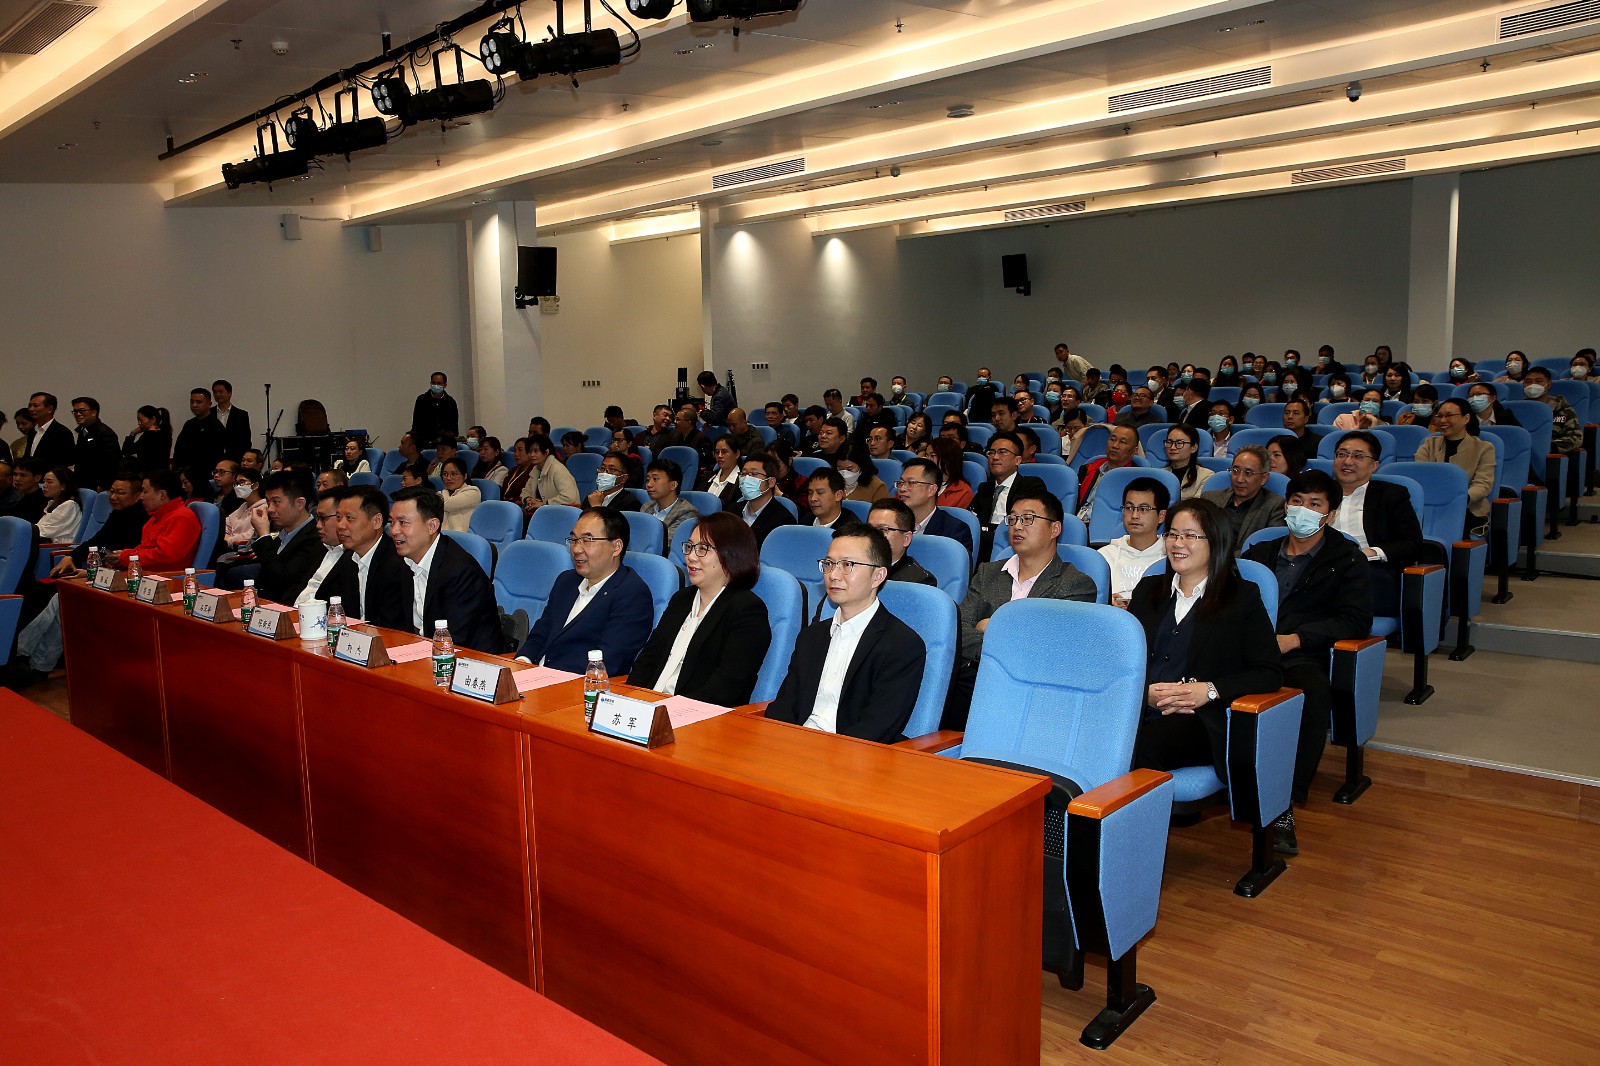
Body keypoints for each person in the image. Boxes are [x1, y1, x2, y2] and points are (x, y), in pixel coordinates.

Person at [1242, 470, 1372, 853]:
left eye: (1315, 504)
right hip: (1248, 651)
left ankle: (1283, 802)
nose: (1303, 510)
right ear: (1286, 505)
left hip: (1301, 654)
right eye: (1297, 501)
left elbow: (1355, 619)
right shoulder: (1260, 553)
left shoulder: (1346, 559)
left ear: (1330, 514)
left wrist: (1295, 639)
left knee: (1312, 696)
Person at [1128, 497, 1283, 804]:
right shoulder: (1147, 590)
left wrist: (1210, 690)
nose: (1177, 543)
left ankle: (1120, 831)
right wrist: (1142, 693)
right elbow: (1123, 664)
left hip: (1198, 718)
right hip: (1139, 709)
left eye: (1190, 535)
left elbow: (1269, 672)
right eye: (1172, 534)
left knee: (1138, 749)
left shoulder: (1242, 597)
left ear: (1216, 542)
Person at [763, 524, 925, 743]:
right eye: (829, 564)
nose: (833, 575)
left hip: (850, 754)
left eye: (848, 565)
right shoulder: (811, 636)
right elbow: (785, 706)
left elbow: (878, 727)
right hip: (796, 745)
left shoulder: (902, 645)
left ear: (878, 576)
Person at [949, 489, 1096, 727]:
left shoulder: (1076, 584)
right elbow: (960, 630)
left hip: (1032, 690)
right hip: (974, 678)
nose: (1017, 526)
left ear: (1055, 529)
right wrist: (1002, 642)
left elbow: (1045, 647)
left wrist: (991, 626)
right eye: (1013, 518)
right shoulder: (987, 573)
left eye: (1028, 519)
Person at [629, 513, 770, 706]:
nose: (690, 557)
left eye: (702, 549)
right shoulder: (681, 599)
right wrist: (629, 700)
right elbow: (647, 660)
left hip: (696, 714)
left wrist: (668, 710)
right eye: (689, 547)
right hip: (649, 706)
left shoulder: (747, 610)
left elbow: (726, 688)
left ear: (731, 553)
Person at [514, 507, 654, 673]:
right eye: (574, 540)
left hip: (575, 684)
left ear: (616, 547)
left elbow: (608, 662)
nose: (576, 549)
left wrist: (546, 676)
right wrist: (522, 662)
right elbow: (540, 635)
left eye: (587, 540)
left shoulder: (632, 594)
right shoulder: (566, 581)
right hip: (535, 676)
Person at [388, 487, 501, 652]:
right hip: (423, 653)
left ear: (432, 526)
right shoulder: (404, 561)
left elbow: (454, 641)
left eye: (403, 522)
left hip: (466, 659)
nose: (394, 531)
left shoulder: (460, 572)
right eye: (392, 522)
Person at [1330, 430, 1424, 614]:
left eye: (1358, 456)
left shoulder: (1391, 495)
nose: (1347, 461)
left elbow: (1412, 544)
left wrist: (1371, 553)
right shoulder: (1316, 493)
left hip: (1368, 570)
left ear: (1374, 465)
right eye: (1342, 454)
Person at [317, 486, 411, 625]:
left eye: (349, 518)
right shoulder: (348, 558)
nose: (341, 525)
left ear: (377, 521)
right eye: (338, 518)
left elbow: (391, 624)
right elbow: (324, 599)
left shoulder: (397, 562)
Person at [245, 467, 326, 605]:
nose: (270, 509)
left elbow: (281, 582)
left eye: (276, 502)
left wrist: (264, 536)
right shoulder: (284, 534)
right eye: (268, 502)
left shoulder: (316, 537)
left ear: (300, 503)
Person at [1418, 404, 1499, 538]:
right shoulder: (1429, 444)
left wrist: (1459, 499)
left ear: (1466, 418)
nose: (1442, 420)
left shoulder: (1484, 448)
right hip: (1430, 506)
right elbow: (1420, 477)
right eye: (1439, 416)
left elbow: (1483, 484)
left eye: (1449, 415)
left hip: (1467, 508)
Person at [47, 473, 147, 578]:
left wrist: (91, 573)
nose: (113, 497)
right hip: (102, 571)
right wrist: (70, 556)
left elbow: (127, 558)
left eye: (120, 493)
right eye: (111, 491)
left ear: (137, 496)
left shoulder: (143, 518)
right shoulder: (118, 513)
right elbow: (97, 540)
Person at [970, 430, 1041, 561]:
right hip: (983, 548)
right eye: (991, 452)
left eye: (1002, 452)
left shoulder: (1030, 485)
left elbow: (1029, 524)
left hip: (1013, 547)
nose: (995, 457)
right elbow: (972, 519)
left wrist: (988, 531)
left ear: (1017, 460)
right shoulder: (984, 488)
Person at [1200, 444, 1285, 552]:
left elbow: (1267, 549)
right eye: (1235, 471)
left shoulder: (1274, 507)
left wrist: (1225, 559)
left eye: (1248, 473)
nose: (1239, 479)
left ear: (1264, 478)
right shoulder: (1210, 498)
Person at [113, 469, 202, 572]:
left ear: (162, 495)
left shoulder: (182, 518)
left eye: (145, 492)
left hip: (166, 577)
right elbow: (145, 549)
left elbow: (165, 556)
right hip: (145, 573)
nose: (141, 497)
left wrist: (128, 557)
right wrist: (125, 555)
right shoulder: (156, 517)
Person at [1100, 477, 1169, 606]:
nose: (1135, 515)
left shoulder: (1171, 557)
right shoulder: (1104, 556)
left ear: (1161, 516)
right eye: (1129, 508)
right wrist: (1106, 601)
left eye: (1144, 509)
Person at [894, 457, 973, 557]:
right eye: (901, 483)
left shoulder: (955, 531)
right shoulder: (892, 524)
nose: (902, 489)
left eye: (911, 483)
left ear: (932, 490)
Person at [295, 491, 348, 608]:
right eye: (317, 518)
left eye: (323, 518)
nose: (318, 525)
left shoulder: (353, 557)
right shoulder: (318, 548)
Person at [1077, 424, 1139, 522]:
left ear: (1134, 451)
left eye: (1122, 442)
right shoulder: (1087, 469)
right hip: (1079, 522)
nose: (1115, 445)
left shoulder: (1136, 479)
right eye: (1112, 439)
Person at [732, 452, 795, 547]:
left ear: (771, 482)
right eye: (743, 474)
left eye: (753, 474)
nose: (746, 479)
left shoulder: (783, 521)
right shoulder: (731, 511)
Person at [867, 499, 935, 586]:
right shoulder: (855, 566)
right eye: (869, 528)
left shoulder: (920, 582)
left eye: (883, 529)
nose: (872, 535)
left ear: (906, 539)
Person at [1520, 366, 1583, 456]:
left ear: (1549, 385)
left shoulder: (1562, 408)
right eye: (1528, 381)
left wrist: (1551, 447)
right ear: (1523, 385)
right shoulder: (1518, 408)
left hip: (1550, 455)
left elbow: (1576, 437)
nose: (1533, 385)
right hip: (1522, 452)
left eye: (1539, 381)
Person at [642, 458, 697, 552]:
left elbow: (666, 544)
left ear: (673, 485)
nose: (649, 484)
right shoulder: (646, 507)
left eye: (655, 479)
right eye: (647, 480)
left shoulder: (687, 512)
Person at [67, 396, 119, 492]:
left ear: (94, 412)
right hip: (82, 483)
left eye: (82, 411)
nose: (78, 414)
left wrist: (104, 484)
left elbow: (113, 462)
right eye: (75, 411)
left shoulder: (105, 433)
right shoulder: (83, 431)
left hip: (97, 486)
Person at [172, 388, 226, 474]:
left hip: (204, 473)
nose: (194, 405)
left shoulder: (216, 426)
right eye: (192, 402)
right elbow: (179, 449)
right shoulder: (189, 424)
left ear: (209, 404)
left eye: (199, 402)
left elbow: (213, 456)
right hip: (184, 472)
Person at [522, 433, 579, 515]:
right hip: (545, 513)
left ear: (546, 452)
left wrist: (544, 504)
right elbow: (525, 491)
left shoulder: (557, 469)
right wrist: (528, 499)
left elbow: (569, 497)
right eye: (529, 451)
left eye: (536, 451)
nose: (532, 455)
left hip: (564, 514)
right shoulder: (536, 469)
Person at [21, 392, 74, 469]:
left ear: (50, 409)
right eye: (30, 406)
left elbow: (65, 461)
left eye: (35, 406)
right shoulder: (32, 431)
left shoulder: (62, 432)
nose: (31, 409)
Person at [220, 466, 266, 551]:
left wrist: (229, 539)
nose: (237, 486)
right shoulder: (244, 506)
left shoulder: (264, 508)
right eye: (236, 483)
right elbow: (225, 524)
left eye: (242, 482)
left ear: (255, 485)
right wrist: (225, 536)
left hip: (245, 550)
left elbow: (252, 535)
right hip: (230, 547)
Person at [411, 371, 459, 445]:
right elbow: (416, 423)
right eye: (433, 383)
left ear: (445, 385)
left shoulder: (450, 402)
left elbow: (454, 425)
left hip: (444, 442)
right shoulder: (422, 400)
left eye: (439, 383)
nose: (436, 385)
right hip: (424, 441)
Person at [211, 380, 252, 462]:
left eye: (221, 392)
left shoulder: (241, 415)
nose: (217, 395)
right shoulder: (209, 413)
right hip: (212, 458)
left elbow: (246, 440)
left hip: (235, 459)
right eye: (215, 392)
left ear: (229, 393)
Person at [36, 467, 81, 543]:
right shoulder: (52, 503)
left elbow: (44, 531)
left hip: (59, 547)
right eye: (44, 482)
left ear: (63, 486)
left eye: (49, 482)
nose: (44, 485)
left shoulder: (69, 505)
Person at [1162, 425, 1207, 501]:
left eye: (1179, 443)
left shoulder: (1205, 476)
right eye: (1169, 442)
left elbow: (1198, 505)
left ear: (1194, 448)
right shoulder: (1160, 474)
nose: (1172, 447)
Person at [122, 405, 172, 473]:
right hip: (163, 472)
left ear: (153, 419)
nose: (139, 423)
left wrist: (133, 433)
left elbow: (127, 451)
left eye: (141, 420)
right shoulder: (166, 434)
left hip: (150, 474)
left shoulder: (148, 436)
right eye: (138, 420)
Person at [438, 457, 481, 532]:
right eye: (445, 474)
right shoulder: (441, 494)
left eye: (453, 474)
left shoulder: (473, 492)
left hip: (462, 536)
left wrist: (444, 490)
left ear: (465, 476)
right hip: (442, 535)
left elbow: (447, 504)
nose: (448, 478)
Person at [702, 436, 742, 508]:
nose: (719, 456)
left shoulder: (742, 481)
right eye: (717, 452)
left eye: (724, 452)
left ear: (737, 454)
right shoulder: (708, 477)